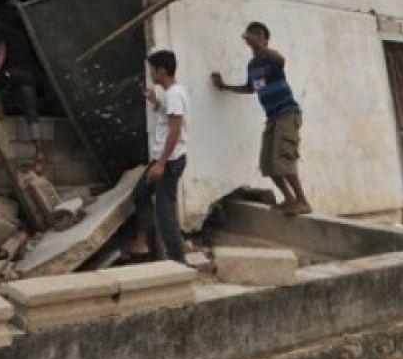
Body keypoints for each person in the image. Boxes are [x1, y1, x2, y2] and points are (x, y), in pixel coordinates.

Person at [211, 22, 313, 216]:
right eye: (252, 34)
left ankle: (302, 201)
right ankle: (289, 199)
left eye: (260, 34)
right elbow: (250, 88)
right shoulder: (252, 65)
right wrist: (224, 86)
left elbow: (282, 59)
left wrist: (260, 47)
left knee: (284, 159)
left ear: (266, 40)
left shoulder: (271, 58)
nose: (255, 37)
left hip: (287, 113)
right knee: (269, 163)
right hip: (272, 117)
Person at [130, 50, 188, 263]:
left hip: (170, 161)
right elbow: (168, 116)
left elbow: (175, 130)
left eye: (152, 70)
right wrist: (155, 102)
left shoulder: (174, 94)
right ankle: (147, 243)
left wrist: (161, 163)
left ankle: (178, 261)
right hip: (164, 159)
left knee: (165, 213)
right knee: (139, 194)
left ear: (162, 70)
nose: (151, 74)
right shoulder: (171, 94)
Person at [0, 1, 47, 174]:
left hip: (13, 74)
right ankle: (40, 151)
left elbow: (2, 50)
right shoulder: (20, 34)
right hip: (28, 76)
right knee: (31, 113)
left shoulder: (1, 30)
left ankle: (0, 111)